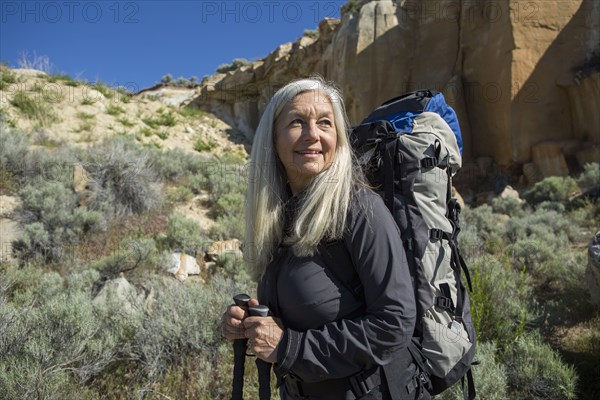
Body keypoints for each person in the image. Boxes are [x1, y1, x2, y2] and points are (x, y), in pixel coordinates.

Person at [221, 77, 418, 399]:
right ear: (273, 138)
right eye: (297, 122)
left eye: (325, 123)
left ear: (338, 137)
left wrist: (288, 347)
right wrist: (252, 324)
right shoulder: (280, 215)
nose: (313, 135)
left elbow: (393, 324)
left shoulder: (360, 209)